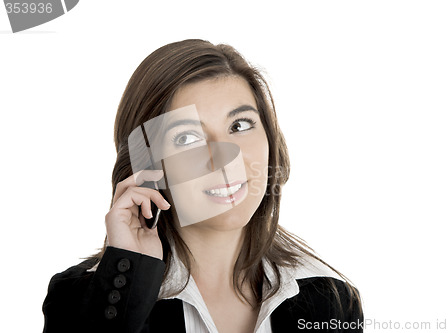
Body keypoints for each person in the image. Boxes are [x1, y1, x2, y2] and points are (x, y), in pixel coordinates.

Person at [42, 39, 363, 333]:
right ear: (148, 164)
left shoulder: (332, 300)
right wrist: (128, 283)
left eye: (240, 125)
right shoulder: (82, 299)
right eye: (187, 137)